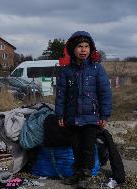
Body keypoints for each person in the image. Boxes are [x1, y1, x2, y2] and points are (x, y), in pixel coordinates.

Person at [55, 31, 112, 186]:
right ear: (73, 49)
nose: (83, 50)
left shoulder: (96, 69)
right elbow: (61, 94)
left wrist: (104, 116)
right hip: (72, 117)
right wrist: (60, 114)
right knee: (76, 147)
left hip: (92, 117)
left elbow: (105, 93)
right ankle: (78, 173)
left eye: (86, 46)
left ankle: (86, 176)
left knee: (87, 148)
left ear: (91, 49)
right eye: (80, 46)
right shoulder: (66, 71)